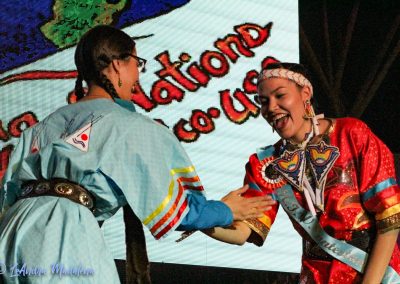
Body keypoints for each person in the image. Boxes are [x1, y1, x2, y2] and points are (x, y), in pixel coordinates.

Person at [0, 25, 275, 284]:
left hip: (11, 235)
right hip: (59, 234)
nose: (138, 75)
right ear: (118, 64)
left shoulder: (42, 126)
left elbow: (7, 195)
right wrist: (226, 210)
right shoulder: (130, 126)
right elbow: (175, 210)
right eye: (137, 62)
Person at [204, 62, 400, 283]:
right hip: (317, 275)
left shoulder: (352, 135)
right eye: (264, 101)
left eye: (280, 96)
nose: (271, 107)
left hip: (375, 272)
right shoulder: (266, 164)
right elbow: (241, 233)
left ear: (305, 93)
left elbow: (390, 219)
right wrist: (200, 217)